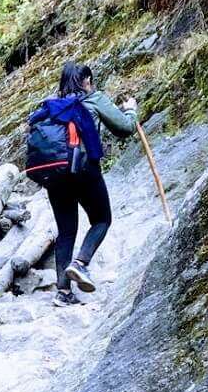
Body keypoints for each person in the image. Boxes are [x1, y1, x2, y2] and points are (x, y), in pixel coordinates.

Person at [42, 62, 138, 307]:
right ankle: (81, 263)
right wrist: (130, 110)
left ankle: (63, 292)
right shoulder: (93, 99)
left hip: (54, 175)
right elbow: (125, 128)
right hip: (85, 171)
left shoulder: (51, 106)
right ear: (86, 81)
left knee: (65, 232)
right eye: (90, 80)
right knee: (102, 219)